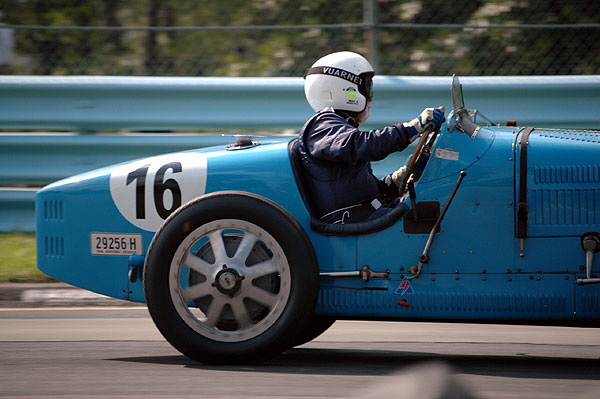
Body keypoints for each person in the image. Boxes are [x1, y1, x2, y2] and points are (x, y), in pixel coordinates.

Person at [298, 51, 444, 224]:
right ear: (344, 89)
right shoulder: (323, 125)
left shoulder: (338, 127)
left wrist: (401, 177)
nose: (371, 98)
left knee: (441, 201)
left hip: (366, 213)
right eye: (366, 88)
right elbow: (359, 145)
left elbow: (370, 192)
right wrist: (412, 128)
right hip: (353, 220)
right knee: (440, 215)